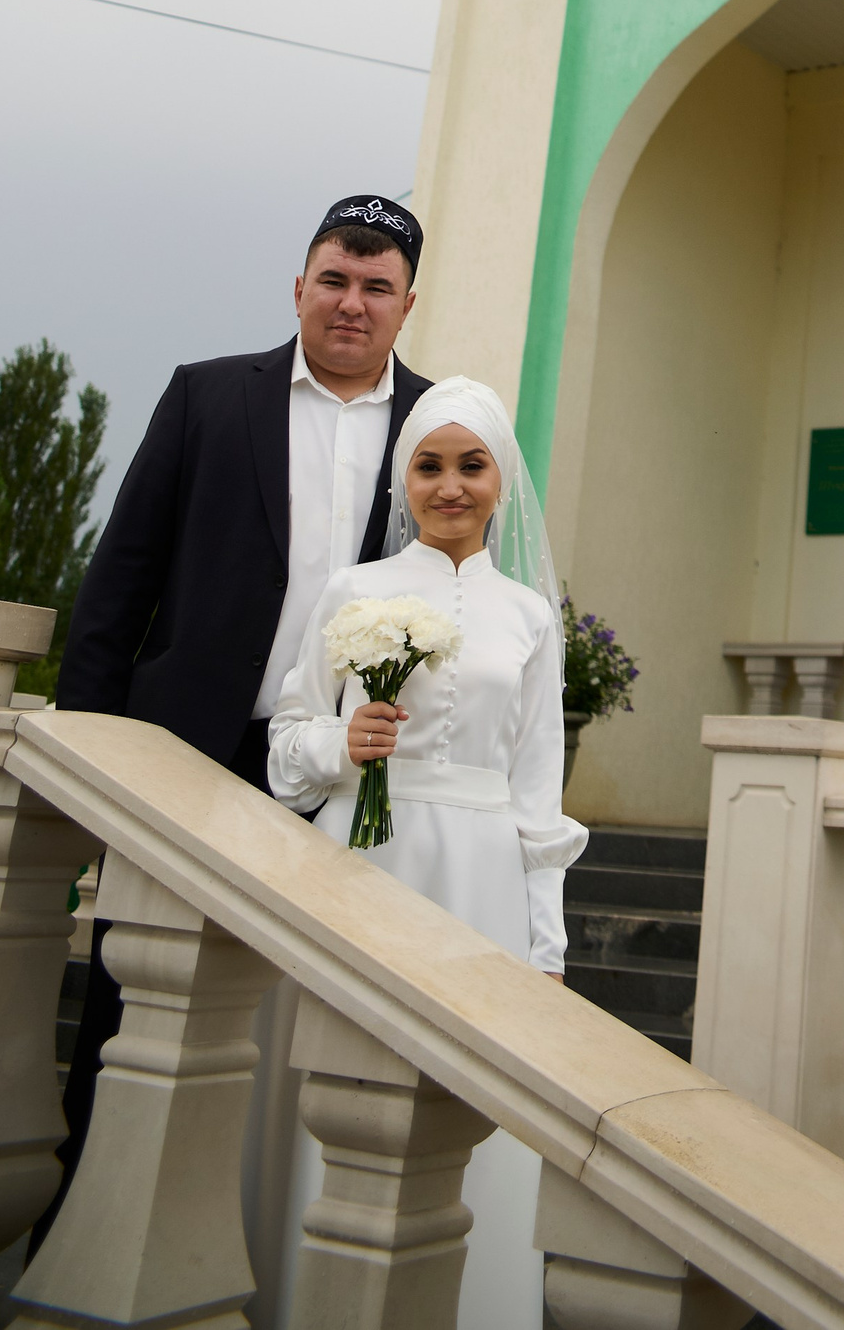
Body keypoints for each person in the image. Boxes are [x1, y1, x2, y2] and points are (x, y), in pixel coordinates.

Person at [45, 193, 432, 1250]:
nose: (352, 303)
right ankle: (85, 1233)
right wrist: (90, 754)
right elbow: (118, 582)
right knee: (132, 1000)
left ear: (407, 306)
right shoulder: (208, 395)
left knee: (302, 1018)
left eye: (377, 287)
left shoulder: (436, 427)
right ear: (299, 286)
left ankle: (242, 1244)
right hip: (186, 753)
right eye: (334, 279)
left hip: (347, 769)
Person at [267, 375, 588, 1326]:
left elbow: (538, 791)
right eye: (430, 466)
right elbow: (287, 743)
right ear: (404, 480)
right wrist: (343, 742)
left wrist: (546, 947)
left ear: (501, 481)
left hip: (481, 883)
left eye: (471, 466)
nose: (450, 486)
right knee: (345, 1076)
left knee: (469, 1093)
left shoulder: (529, 615)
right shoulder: (354, 590)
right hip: (359, 867)